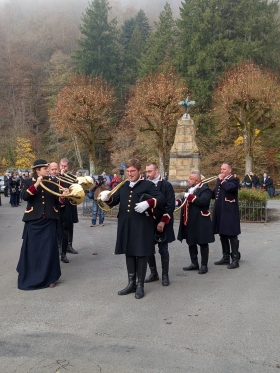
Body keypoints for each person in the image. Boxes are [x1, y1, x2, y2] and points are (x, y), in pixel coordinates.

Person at [99, 158, 166, 299]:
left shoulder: (147, 184)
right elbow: (114, 201)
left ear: (139, 171)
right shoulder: (123, 185)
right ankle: (131, 283)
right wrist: (107, 198)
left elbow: (161, 199)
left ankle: (140, 285)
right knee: (129, 251)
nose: (130, 174)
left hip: (142, 224)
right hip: (126, 224)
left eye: (133, 171)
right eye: (128, 171)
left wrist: (148, 203)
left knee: (141, 253)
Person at [16, 159, 64, 290]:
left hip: (49, 218)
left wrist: (64, 196)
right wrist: (36, 184)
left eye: (47, 168)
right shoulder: (27, 181)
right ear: (37, 170)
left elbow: (58, 202)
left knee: (49, 249)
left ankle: (50, 278)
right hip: (34, 219)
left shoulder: (53, 182)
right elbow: (25, 197)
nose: (47, 170)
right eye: (45, 168)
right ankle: (31, 275)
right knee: (33, 249)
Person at [177, 172, 215, 274]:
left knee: (203, 243)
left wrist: (189, 196)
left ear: (197, 181)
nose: (188, 180)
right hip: (189, 220)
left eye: (190, 179)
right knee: (191, 242)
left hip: (201, 220)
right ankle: (194, 263)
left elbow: (203, 201)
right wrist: (177, 202)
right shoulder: (189, 189)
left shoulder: (205, 189)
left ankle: (204, 265)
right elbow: (183, 200)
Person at [144, 162, 175, 286]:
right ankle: (154, 273)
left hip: (163, 221)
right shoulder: (145, 184)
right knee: (148, 249)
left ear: (157, 171)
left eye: (149, 171)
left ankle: (165, 275)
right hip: (148, 222)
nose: (147, 174)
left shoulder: (166, 185)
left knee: (163, 249)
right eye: (146, 171)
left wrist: (163, 221)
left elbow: (170, 205)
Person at [212, 162, 241, 269]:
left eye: (224, 169)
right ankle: (225, 257)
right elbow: (215, 193)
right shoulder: (219, 180)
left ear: (229, 170)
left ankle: (235, 259)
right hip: (220, 211)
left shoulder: (234, 180)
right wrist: (201, 189)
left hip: (230, 212)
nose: (221, 171)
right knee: (222, 234)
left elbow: (229, 188)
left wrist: (221, 180)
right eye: (221, 169)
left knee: (232, 234)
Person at [59, 158, 79, 263]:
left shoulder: (71, 177)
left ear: (68, 166)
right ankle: (60, 247)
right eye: (61, 166)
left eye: (65, 166)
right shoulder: (57, 176)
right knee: (61, 226)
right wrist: (61, 176)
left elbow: (77, 187)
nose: (63, 168)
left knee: (70, 225)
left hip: (70, 204)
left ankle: (69, 246)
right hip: (61, 204)